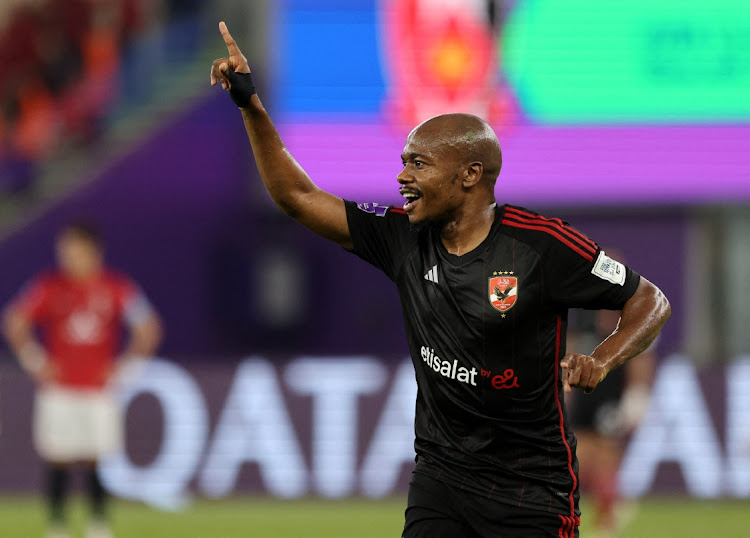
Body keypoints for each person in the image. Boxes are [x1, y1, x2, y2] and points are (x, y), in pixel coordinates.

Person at [209, 21, 670, 538]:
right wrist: (250, 105)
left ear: (470, 175)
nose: (402, 178)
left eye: (419, 165)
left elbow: (650, 301)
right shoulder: (402, 236)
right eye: (404, 163)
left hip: (530, 491)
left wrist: (604, 358)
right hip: (440, 480)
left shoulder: (542, 245)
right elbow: (298, 197)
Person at [2, 221, 162, 538]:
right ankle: (57, 525)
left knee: (96, 457)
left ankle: (98, 524)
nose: (67, 257)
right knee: (57, 456)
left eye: (73, 250)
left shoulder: (116, 287)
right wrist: (35, 360)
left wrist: (125, 367)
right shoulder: (49, 286)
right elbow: (14, 320)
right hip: (59, 389)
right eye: (64, 250)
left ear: (92, 251)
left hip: (98, 389)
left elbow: (149, 327)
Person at [567, 251, 656, 537]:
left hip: (610, 395)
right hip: (584, 395)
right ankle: (609, 507)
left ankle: (607, 520)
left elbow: (641, 357)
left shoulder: (631, 312)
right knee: (579, 456)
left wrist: (636, 396)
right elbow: (570, 351)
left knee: (605, 455)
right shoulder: (584, 315)